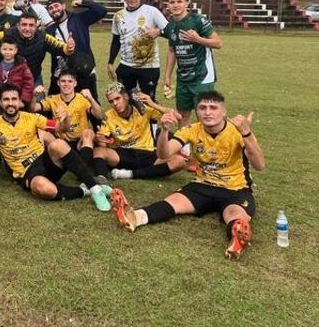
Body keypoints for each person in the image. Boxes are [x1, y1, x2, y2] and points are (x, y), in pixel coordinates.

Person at [110, 91, 265, 260]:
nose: (207, 112)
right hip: (202, 185)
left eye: (213, 108)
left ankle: (237, 238)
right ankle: (135, 217)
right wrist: (164, 131)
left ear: (224, 111)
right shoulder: (191, 130)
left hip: (235, 189)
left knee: (234, 214)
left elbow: (259, 165)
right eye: (202, 108)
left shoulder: (238, 131)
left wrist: (247, 134)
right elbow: (164, 154)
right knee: (173, 202)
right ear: (197, 111)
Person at [0, 85, 112, 211]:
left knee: (58, 144)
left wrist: (65, 119)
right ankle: (84, 191)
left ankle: (95, 189)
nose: (10, 103)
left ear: (20, 102)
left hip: (44, 161)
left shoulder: (32, 118)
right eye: (6, 100)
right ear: (0, 103)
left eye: (14, 99)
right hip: (27, 172)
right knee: (45, 189)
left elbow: (60, 128)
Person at [92, 83, 186, 183]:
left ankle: (130, 174)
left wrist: (153, 104)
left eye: (117, 98)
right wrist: (99, 139)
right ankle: (101, 180)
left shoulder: (143, 110)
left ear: (126, 97)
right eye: (111, 101)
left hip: (146, 152)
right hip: (124, 154)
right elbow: (103, 144)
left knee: (179, 161)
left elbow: (178, 117)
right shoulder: (108, 116)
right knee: (98, 151)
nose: (115, 103)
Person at [160, 0, 223, 127]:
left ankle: (206, 146)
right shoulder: (171, 25)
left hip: (202, 77)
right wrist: (167, 76)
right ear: (168, 5)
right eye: (172, 2)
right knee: (182, 116)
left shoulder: (198, 20)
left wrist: (198, 39)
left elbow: (218, 43)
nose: (176, 5)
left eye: (179, 2)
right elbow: (172, 51)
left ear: (187, 3)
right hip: (183, 79)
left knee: (205, 116)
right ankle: (185, 148)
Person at [107, 0, 168, 100]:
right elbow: (116, 40)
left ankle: (151, 119)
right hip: (126, 66)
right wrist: (110, 63)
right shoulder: (118, 16)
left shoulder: (152, 12)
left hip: (149, 67)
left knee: (148, 102)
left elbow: (170, 30)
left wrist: (159, 32)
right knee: (126, 100)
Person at [0, 12, 74, 86]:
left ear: (36, 26)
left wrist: (69, 48)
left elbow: (61, 48)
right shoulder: (7, 34)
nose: (27, 28)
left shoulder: (44, 37)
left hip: (34, 77)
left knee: (38, 105)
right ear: (18, 26)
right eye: (24, 25)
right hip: (9, 78)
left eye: (31, 25)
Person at [32, 70, 104, 165]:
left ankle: (82, 168)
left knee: (89, 132)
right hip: (61, 142)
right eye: (63, 81)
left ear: (75, 83)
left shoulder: (82, 99)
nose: (66, 84)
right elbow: (33, 108)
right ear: (58, 83)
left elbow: (99, 115)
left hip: (80, 142)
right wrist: (33, 96)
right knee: (41, 130)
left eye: (70, 81)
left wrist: (91, 98)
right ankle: (38, 164)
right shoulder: (52, 99)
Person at [46, 0, 107, 99]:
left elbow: (102, 10)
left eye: (56, 6)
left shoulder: (79, 18)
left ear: (64, 6)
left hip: (84, 69)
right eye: (50, 8)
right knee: (55, 106)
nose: (54, 9)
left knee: (90, 105)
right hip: (61, 74)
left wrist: (82, 2)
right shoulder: (49, 30)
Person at [0, 36, 34, 108]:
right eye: (4, 49)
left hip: (17, 99)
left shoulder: (22, 65)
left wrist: (24, 100)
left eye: (11, 49)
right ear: (0, 49)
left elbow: (28, 83)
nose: (7, 52)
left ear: (16, 50)